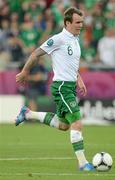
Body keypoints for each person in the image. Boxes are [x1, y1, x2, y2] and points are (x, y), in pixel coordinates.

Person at [15, 7, 94, 171]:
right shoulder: (58, 39)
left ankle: (28, 113)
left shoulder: (75, 39)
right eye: (77, 22)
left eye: (82, 22)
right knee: (77, 123)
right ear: (67, 23)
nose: (81, 25)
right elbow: (36, 53)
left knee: (64, 125)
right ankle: (83, 163)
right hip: (62, 87)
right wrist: (25, 71)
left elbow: (70, 63)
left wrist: (78, 78)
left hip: (70, 86)